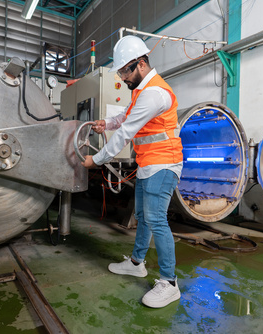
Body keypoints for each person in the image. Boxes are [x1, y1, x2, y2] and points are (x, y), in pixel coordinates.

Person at [81, 35, 183, 308]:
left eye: (125, 71)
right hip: (149, 164)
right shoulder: (141, 91)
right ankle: (137, 263)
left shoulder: (155, 94)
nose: (123, 78)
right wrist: (106, 122)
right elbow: (124, 118)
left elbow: (127, 132)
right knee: (142, 215)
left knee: (156, 219)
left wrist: (97, 160)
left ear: (139, 64)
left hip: (164, 164)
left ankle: (170, 283)